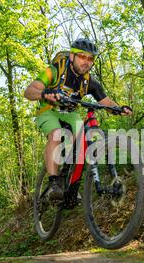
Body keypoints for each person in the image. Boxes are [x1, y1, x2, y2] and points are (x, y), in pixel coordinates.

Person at [24, 38, 132, 200]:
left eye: (90, 59)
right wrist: (44, 93)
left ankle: (71, 181)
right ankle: (54, 182)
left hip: (70, 113)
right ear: (72, 57)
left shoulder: (90, 82)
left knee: (82, 140)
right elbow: (29, 91)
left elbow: (106, 102)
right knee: (56, 134)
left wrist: (118, 109)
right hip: (48, 110)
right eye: (82, 56)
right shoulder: (54, 71)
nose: (87, 62)